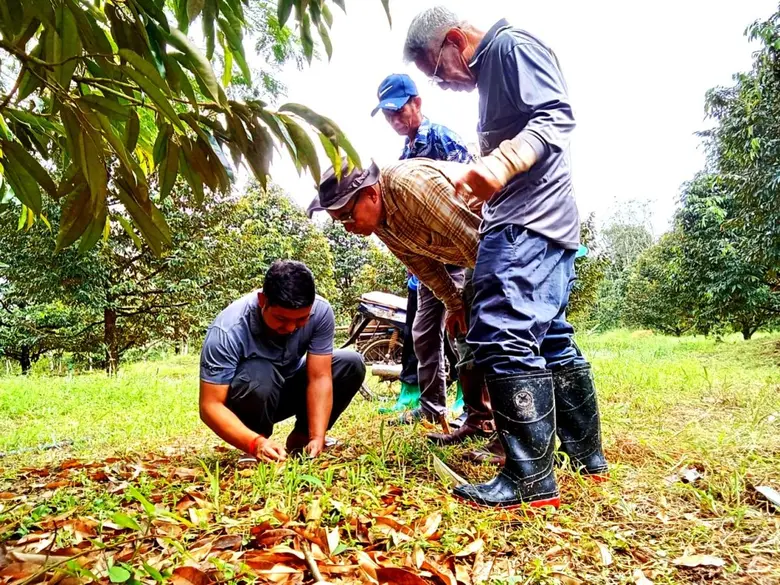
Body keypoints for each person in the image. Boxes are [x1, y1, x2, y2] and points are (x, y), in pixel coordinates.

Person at [403, 7, 608, 509]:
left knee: (499, 329)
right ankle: (586, 457)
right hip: (543, 220)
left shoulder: (508, 48)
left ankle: (530, 478)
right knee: (549, 333)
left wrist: (501, 163)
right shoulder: (493, 70)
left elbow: (556, 116)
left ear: (454, 40)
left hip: (529, 222)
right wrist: (485, 184)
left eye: (437, 70)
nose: (443, 84)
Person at [308, 159, 495, 445]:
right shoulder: (380, 221)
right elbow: (420, 263)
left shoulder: (413, 187)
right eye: (339, 221)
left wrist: (494, 307)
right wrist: (455, 304)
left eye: (347, 216)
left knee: (498, 336)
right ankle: (480, 420)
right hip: (474, 255)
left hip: (503, 243)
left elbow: (479, 243)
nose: (347, 228)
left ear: (371, 193)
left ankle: (515, 437)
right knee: (463, 331)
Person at [371, 73, 479, 429]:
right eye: (388, 116)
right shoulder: (405, 154)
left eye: (398, 112)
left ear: (417, 103)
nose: (395, 121)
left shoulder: (442, 139)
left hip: (460, 252)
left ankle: (474, 405)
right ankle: (432, 407)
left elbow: (471, 196)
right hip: (426, 265)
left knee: (463, 328)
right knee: (422, 331)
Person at [199, 260, 366, 462]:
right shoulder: (227, 330)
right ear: (263, 301)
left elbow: (320, 377)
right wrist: (254, 443)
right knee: (260, 372)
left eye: (300, 319)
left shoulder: (320, 312)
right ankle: (257, 444)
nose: (290, 328)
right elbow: (210, 406)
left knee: (350, 362)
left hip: (288, 388)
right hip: (250, 394)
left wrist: (317, 435)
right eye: (281, 319)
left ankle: (302, 439)